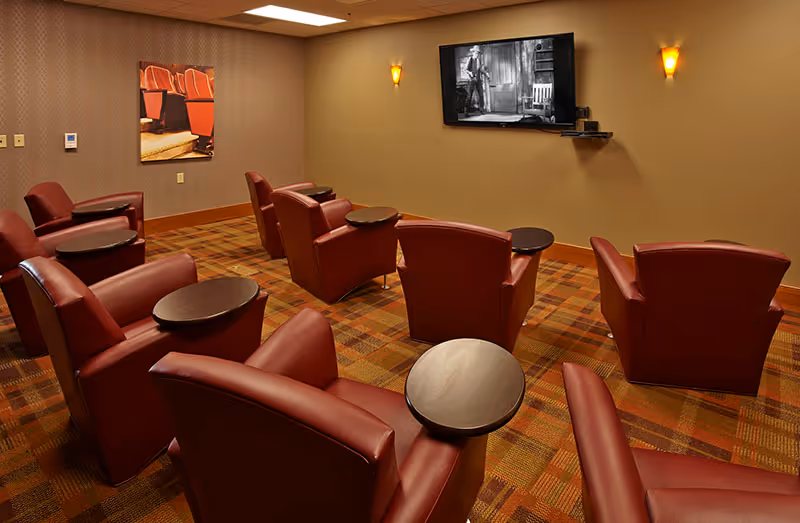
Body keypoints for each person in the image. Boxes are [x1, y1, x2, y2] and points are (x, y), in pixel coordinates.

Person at [465, 45, 490, 116]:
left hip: (478, 80)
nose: (477, 54)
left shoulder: (479, 60)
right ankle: (466, 111)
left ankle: (481, 108)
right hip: (472, 80)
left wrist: (486, 74)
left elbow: (480, 69)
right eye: (476, 53)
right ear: (473, 52)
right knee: (469, 96)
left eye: (478, 53)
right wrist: (470, 73)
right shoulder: (470, 59)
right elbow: (466, 69)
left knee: (481, 95)